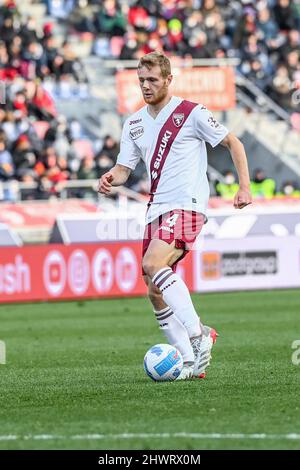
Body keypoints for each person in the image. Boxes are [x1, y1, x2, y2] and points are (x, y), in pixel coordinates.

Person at [98, 51, 252, 380]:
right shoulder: (135, 123)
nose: (146, 86)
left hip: (188, 203)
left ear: (169, 79)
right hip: (157, 208)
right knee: (154, 289)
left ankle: (196, 334)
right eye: (141, 80)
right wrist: (111, 177)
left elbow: (233, 142)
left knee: (153, 265)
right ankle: (187, 362)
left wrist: (244, 187)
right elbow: (125, 169)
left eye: (153, 79)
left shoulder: (191, 113)